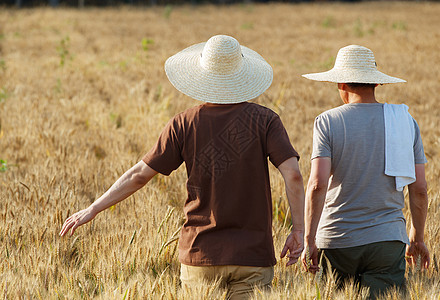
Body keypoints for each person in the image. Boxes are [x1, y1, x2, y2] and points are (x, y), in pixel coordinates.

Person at [59, 35, 305, 299]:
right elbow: (293, 175)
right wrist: (299, 230)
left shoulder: (183, 123)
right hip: (252, 257)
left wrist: (93, 208)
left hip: (200, 254)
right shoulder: (266, 120)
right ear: (242, 74)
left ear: (202, 74)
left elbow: (139, 175)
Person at [299, 45, 430, 299]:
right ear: (376, 84)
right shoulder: (405, 121)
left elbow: (317, 184)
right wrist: (417, 237)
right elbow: (420, 189)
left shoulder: (327, 121)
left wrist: (309, 239)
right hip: (387, 241)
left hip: (336, 241)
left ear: (342, 83)